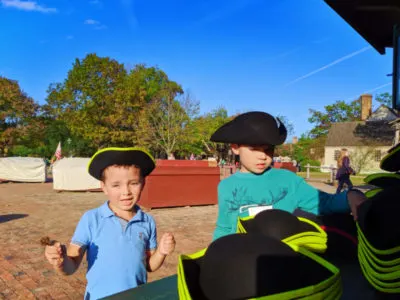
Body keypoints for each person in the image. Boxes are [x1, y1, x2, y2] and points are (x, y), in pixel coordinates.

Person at [210, 111, 366, 241]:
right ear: (235, 148)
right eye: (254, 149)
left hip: (284, 258)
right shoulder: (226, 186)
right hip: (244, 258)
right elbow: (224, 228)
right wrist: (215, 254)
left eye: (268, 150)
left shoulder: (288, 180)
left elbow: (323, 203)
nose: (263, 156)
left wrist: (350, 196)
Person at [44, 147, 176, 299]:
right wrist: (61, 262)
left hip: (137, 296)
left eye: (133, 183)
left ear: (143, 183)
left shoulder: (147, 221)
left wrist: (161, 252)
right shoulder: (91, 219)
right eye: (116, 185)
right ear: (104, 187)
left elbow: (149, 266)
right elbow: (71, 265)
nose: (126, 192)